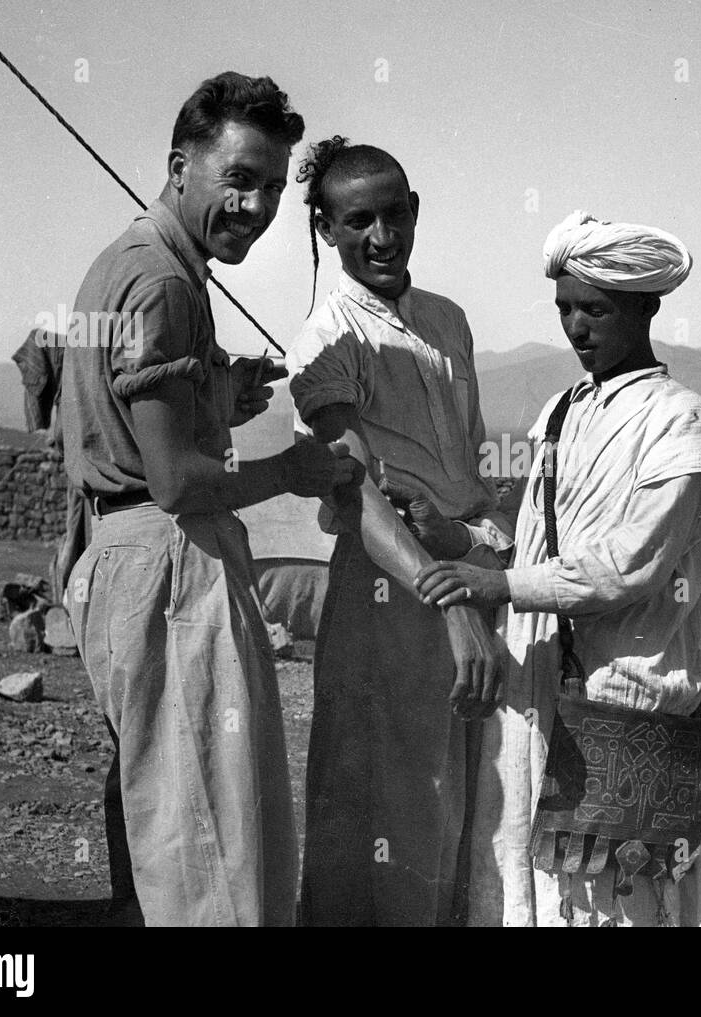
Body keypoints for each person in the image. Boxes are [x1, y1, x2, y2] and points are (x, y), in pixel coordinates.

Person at [60, 72, 362, 927]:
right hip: (167, 570)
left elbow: (118, 426)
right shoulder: (161, 281)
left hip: (131, 560)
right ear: (180, 164)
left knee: (177, 828)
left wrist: (215, 396)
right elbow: (175, 481)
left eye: (271, 186)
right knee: (210, 853)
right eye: (239, 179)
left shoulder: (142, 263)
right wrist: (292, 472)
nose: (257, 206)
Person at [416, 210, 701, 927]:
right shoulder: (559, 412)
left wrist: (500, 585)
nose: (577, 327)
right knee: (542, 892)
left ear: (645, 306)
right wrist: (459, 539)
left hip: (631, 697)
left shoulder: (681, 421)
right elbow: (536, 543)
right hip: (541, 691)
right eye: (564, 309)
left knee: (628, 898)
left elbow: (629, 567)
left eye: (595, 308)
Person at [286, 137, 509, 926]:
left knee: (455, 804)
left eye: (394, 215)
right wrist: (449, 603)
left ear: (414, 211)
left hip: (458, 574)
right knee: (382, 805)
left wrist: (483, 562)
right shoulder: (325, 341)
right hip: (386, 597)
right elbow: (359, 501)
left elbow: (469, 474)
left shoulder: (447, 322)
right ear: (325, 228)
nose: (381, 238)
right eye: (358, 222)